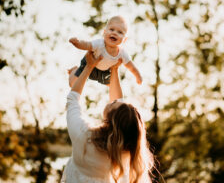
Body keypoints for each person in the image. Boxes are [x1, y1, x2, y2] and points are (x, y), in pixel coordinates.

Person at [61, 51, 154, 183]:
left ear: (111, 120)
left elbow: (73, 100)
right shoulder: (126, 152)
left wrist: (88, 67)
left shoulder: (83, 135)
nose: (115, 101)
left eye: (115, 104)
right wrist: (114, 70)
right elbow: (121, 114)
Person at [69, 15, 142, 86]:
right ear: (104, 32)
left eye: (120, 32)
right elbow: (86, 45)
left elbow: (131, 66)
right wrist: (77, 43)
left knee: (113, 85)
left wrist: (138, 76)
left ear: (124, 39)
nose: (115, 33)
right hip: (89, 63)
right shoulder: (99, 44)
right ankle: (74, 70)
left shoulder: (122, 53)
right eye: (111, 29)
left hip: (104, 71)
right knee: (73, 84)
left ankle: (114, 97)